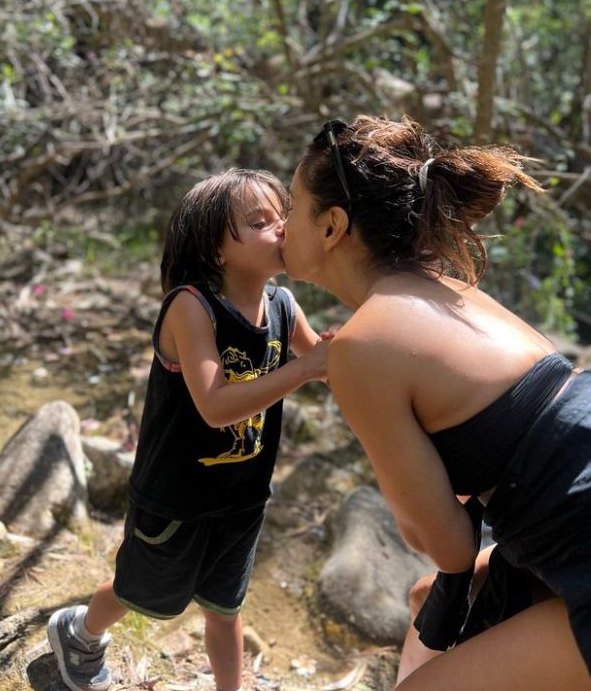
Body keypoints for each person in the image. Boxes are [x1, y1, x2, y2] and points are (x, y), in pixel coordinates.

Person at [281, 115, 591, 690]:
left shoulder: (362, 347)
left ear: (331, 227)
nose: (279, 224)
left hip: (577, 525)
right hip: (570, 503)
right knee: (426, 598)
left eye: (292, 205)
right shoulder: (451, 290)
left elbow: (447, 547)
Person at [48, 168, 330, 691]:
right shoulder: (191, 307)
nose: (283, 229)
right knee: (143, 594)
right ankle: (79, 632)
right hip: (174, 498)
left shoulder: (284, 307)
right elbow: (216, 406)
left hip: (242, 499)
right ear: (217, 251)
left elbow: (332, 366)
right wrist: (307, 369)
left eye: (283, 216)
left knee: (226, 606)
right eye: (260, 221)